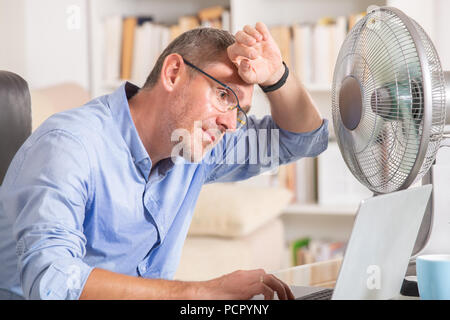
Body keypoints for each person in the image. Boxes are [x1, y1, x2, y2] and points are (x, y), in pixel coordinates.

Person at [0, 22, 328, 300]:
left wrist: (278, 77)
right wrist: (203, 292)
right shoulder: (70, 145)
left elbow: (303, 140)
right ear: (173, 73)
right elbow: (51, 282)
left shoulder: (193, 144)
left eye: (239, 112)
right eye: (223, 95)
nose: (230, 123)